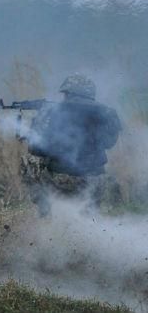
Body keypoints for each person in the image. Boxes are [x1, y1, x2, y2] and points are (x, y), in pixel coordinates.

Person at [20, 74, 122, 216]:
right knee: (89, 219)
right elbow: (109, 143)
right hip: (95, 181)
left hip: (61, 179)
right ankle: (90, 212)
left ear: (70, 93)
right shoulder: (106, 112)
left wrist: (32, 125)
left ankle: (45, 209)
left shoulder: (54, 111)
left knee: (28, 161)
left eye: (66, 94)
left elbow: (37, 148)